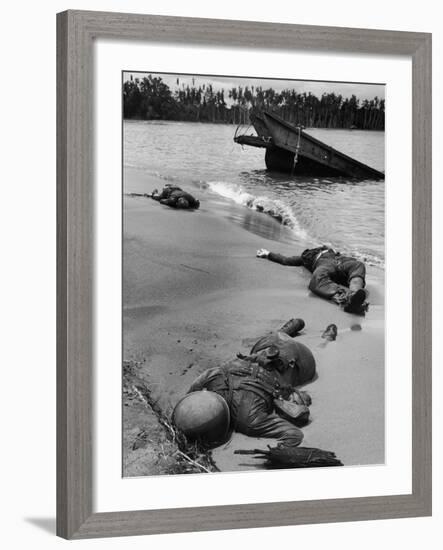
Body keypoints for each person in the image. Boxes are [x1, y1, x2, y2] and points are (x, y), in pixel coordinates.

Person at [185, 319, 316, 449]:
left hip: (298, 360)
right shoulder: (214, 379)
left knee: (279, 341)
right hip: (271, 349)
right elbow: (294, 435)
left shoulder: (249, 419)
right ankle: (289, 329)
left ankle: (289, 329)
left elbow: (294, 435)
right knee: (279, 337)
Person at [256, 245, 369, 314]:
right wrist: (268, 254)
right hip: (323, 265)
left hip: (342, 262)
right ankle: (346, 299)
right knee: (317, 278)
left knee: (358, 265)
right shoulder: (304, 258)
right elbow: (286, 260)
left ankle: (355, 294)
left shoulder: (331, 251)